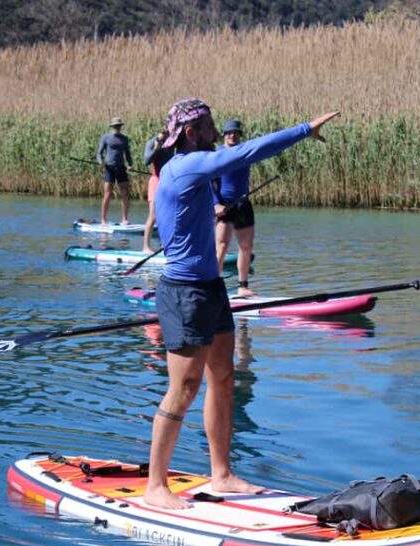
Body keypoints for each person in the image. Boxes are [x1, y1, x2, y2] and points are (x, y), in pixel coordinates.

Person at [144, 98, 339, 509]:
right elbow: (249, 152)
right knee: (183, 388)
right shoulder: (185, 165)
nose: (217, 131)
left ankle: (223, 474)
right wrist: (305, 129)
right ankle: (155, 486)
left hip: (211, 288)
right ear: (193, 132)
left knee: (224, 379)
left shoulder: (193, 164)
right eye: (211, 125)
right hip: (183, 292)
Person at [214, 119, 257, 297]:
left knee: (246, 246)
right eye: (229, 132)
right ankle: (214, 285)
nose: (233, 135)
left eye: (236, 132)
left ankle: (243, 287)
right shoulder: (217, 154)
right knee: (222, 246)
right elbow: (210, 181)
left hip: (243, 204)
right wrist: (215, 203)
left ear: (240, 135)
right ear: (224, 135)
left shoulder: (245, 152)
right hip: (224, 205)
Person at [140, 128, 174, 254]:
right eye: (164, 134)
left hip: (167, 182)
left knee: (168, 216)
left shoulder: (171, 144)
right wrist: (157, 147)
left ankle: (166, 246)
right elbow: (146, 161)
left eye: (167, 134)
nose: (165, 136)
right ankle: (145, 247)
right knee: (153, 216)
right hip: (156, 182)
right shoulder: (151, 142)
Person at [96, 117, 133, 225]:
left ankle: (124, 219)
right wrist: (100, 162)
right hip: (109, 168)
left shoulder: (124, 139)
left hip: (121, 168)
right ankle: (103, 220)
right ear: (112, 127)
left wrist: (129, 164)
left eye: (119, 126)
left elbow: (128, 154)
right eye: (116, 126)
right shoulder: (106, 138)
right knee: (107, 194)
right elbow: (99, 153)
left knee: (125, 193)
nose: (117, 127)